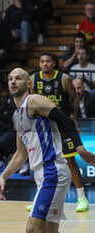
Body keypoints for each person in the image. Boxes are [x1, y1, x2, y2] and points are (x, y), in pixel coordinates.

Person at [0, 68, 95, 233]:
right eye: (10, 78)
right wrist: (3, 175)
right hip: (41, 175)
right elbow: (21, 153)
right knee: (49, 231)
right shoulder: (16, 116)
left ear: (28, 83)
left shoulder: (34, 101)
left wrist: (79, 148)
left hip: (53, 172)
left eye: (18, 78)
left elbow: (66, 120)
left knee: (32, 229)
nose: (13, 81)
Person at [30, 52, 89, 212]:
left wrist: (74, 117)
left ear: (54, 63)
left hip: (61, 123)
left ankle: (81, 197)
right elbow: (32, 100)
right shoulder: (34, 79)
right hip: (44, 125)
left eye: (48, 61)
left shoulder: (64, 79)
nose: (45, 64)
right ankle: (40, 197)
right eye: (42, 62)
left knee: (70, 161)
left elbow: (75, 98)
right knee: (42, 162)